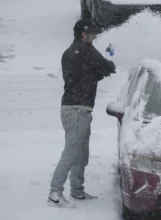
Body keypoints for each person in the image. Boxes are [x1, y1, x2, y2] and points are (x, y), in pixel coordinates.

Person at [47, 19, 116, 208]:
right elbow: (103, 64)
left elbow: (89, 74)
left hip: (80, 109)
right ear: (83, 35)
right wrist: (110, 64)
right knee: (71, 153)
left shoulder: (76, 53)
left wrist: (104, 70)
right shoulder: (83, 49)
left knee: (81, 154)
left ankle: (77, 191)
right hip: (76, 110)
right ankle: (55, 192)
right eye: (92, 34)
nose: (95, 37)